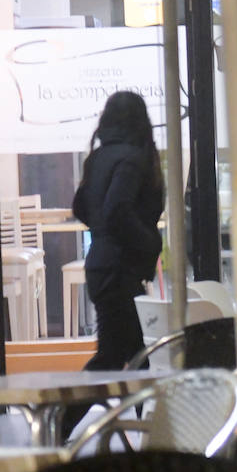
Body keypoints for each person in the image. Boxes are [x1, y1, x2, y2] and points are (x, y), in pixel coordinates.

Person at [72, 90, 165, 371]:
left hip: (102, 266)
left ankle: (64, 413)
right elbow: (117, 209)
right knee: (124, 356)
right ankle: (60, 413)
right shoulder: (133, 159)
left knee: (130, 354)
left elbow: (81, 206)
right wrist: (149, 242)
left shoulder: (99, 157)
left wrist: (102, 232)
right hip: (120, 269)